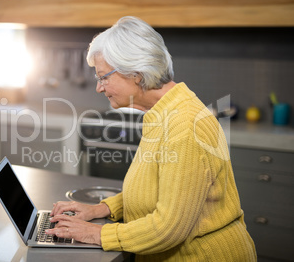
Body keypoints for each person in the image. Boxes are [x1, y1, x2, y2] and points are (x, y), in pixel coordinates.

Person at [45, 16, 256, 261]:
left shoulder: (185, 126)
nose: (99, 88)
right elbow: (155, 190)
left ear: (135, 72)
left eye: (103, 77)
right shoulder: (161, 113)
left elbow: (168, 229)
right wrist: (101, 208)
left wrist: (98, 234)